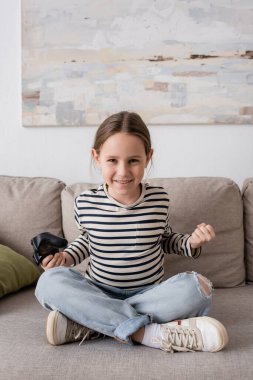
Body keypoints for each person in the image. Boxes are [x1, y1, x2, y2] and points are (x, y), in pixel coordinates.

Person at [35, 111, 228, 353]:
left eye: (133, 161)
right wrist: (66, 259)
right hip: (99, 292)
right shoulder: (84, 201)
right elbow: (87, 241)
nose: (123, 172)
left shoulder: (159, 199)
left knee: (200, 288)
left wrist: (193, 242)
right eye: (112, 160)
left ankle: (96, 323)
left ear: (148, 157)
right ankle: (147, 332)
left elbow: (166, 240)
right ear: (97, 157)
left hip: (150, 293)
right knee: (48, 282)